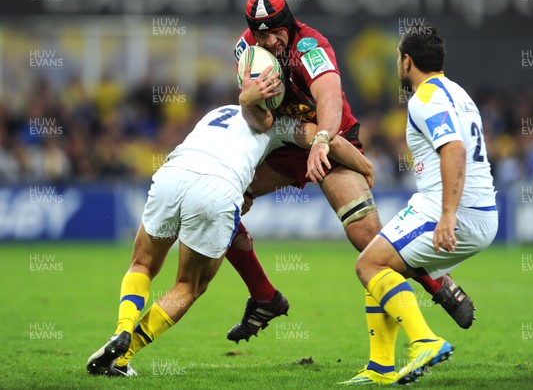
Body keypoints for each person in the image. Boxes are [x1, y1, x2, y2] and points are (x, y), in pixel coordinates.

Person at [86, 66, 373, 377]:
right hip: (217, 189)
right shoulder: (281, 124)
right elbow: (333, 143)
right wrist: (366, 168)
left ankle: (122, 328)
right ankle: (125, 353)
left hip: (174, 172)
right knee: (188, 286)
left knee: (141, 263)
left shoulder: (218, 110)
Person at [225, 0, 475, 344]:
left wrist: (323, 141)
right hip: (282, 142)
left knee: (367, 241)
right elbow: (260, 122)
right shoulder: (246, 50)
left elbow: (328, 96)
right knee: (221, 202)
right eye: (260, 34)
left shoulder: (310, 46)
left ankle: (436, 283)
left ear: (288, 23)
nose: (269, 40)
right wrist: (246, 100)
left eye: (274, 31)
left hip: (332, 140)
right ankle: (264, 296)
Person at [342, 24, 498, 385]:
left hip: (452, 211)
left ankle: (424, 341)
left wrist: (446, 215)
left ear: (407, 61)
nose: (398, 62)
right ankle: (379, 368)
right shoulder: (459, 93)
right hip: (478, 211)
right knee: (382, 264)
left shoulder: (424, 99)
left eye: (398, 56)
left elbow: (454, 150)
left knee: (368, 264)